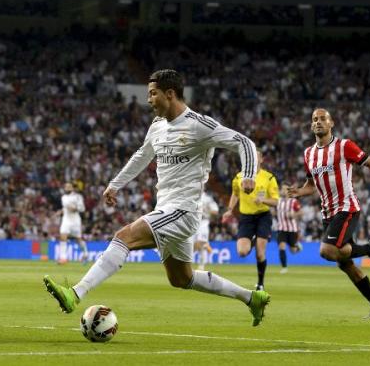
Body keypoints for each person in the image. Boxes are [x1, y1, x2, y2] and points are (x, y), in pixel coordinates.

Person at [44, 69, 270, 327]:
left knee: (123, 237)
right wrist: (115, 184)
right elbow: (142, 155)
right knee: (181, 279)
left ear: (170, 94)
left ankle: (75, 293)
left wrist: (249, 174)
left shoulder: (199, 125)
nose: (149, 100)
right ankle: (252, 298)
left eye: (153, 94)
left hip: (183, 211)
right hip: (167, 209)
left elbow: (244, 142)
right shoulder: (157, 126)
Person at [288, 108, 370, 319]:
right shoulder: (309, 154)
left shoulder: (344, 146)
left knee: (326, 251)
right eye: (314, 119)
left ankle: (369, 249)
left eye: (322, 119)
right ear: (310, 125)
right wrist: (299, 192)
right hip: (328, 214)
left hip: (347, 208)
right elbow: (311, 185)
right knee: (345, 263)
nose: (318, 122)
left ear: (331, 123)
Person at [222, 150, 279, 291]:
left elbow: (275, 202)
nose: (253, 160)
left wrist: (263, 200)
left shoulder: (269, 178)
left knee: (260, 254)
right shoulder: (238, 177)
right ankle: (254, 239)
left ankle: (260, 283)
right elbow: (235, 194)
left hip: (263, 217)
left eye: (256, 157)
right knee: (242, 252)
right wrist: (230, 209)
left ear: (261, 160)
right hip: (246, 218)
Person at [56, 181, 88, 264]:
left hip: (75, 221)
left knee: (78, 239)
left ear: (72, 188)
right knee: (63, 236)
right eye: (66, 187)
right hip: (66, 220)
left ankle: (85, 253)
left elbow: (82, 208)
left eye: (69, 187)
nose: (67, 188)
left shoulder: (77, 197)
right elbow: (65, 208)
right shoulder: (63, 197)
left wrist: (75, 208)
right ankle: (63, 258)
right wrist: (60, 211)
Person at [276, 183, 303, 274]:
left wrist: (293, 214)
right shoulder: (278, 201)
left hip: (292, 229)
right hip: (281, 228)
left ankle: (297, 246)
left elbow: (301, 212)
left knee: (293, 251)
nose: (283, 191)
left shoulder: (293, 201)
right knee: (281, 247)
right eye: (282, 189)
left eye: (285, 189)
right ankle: (284, 267)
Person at [194, 189, 219, 270]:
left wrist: (208, 211)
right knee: (196, 245)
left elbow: (215, 210)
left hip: (203, 222)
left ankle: (201, 266)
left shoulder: (207, 199)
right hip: (193, 222)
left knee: (200, 243)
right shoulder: (191, 196)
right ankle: (206, 245)